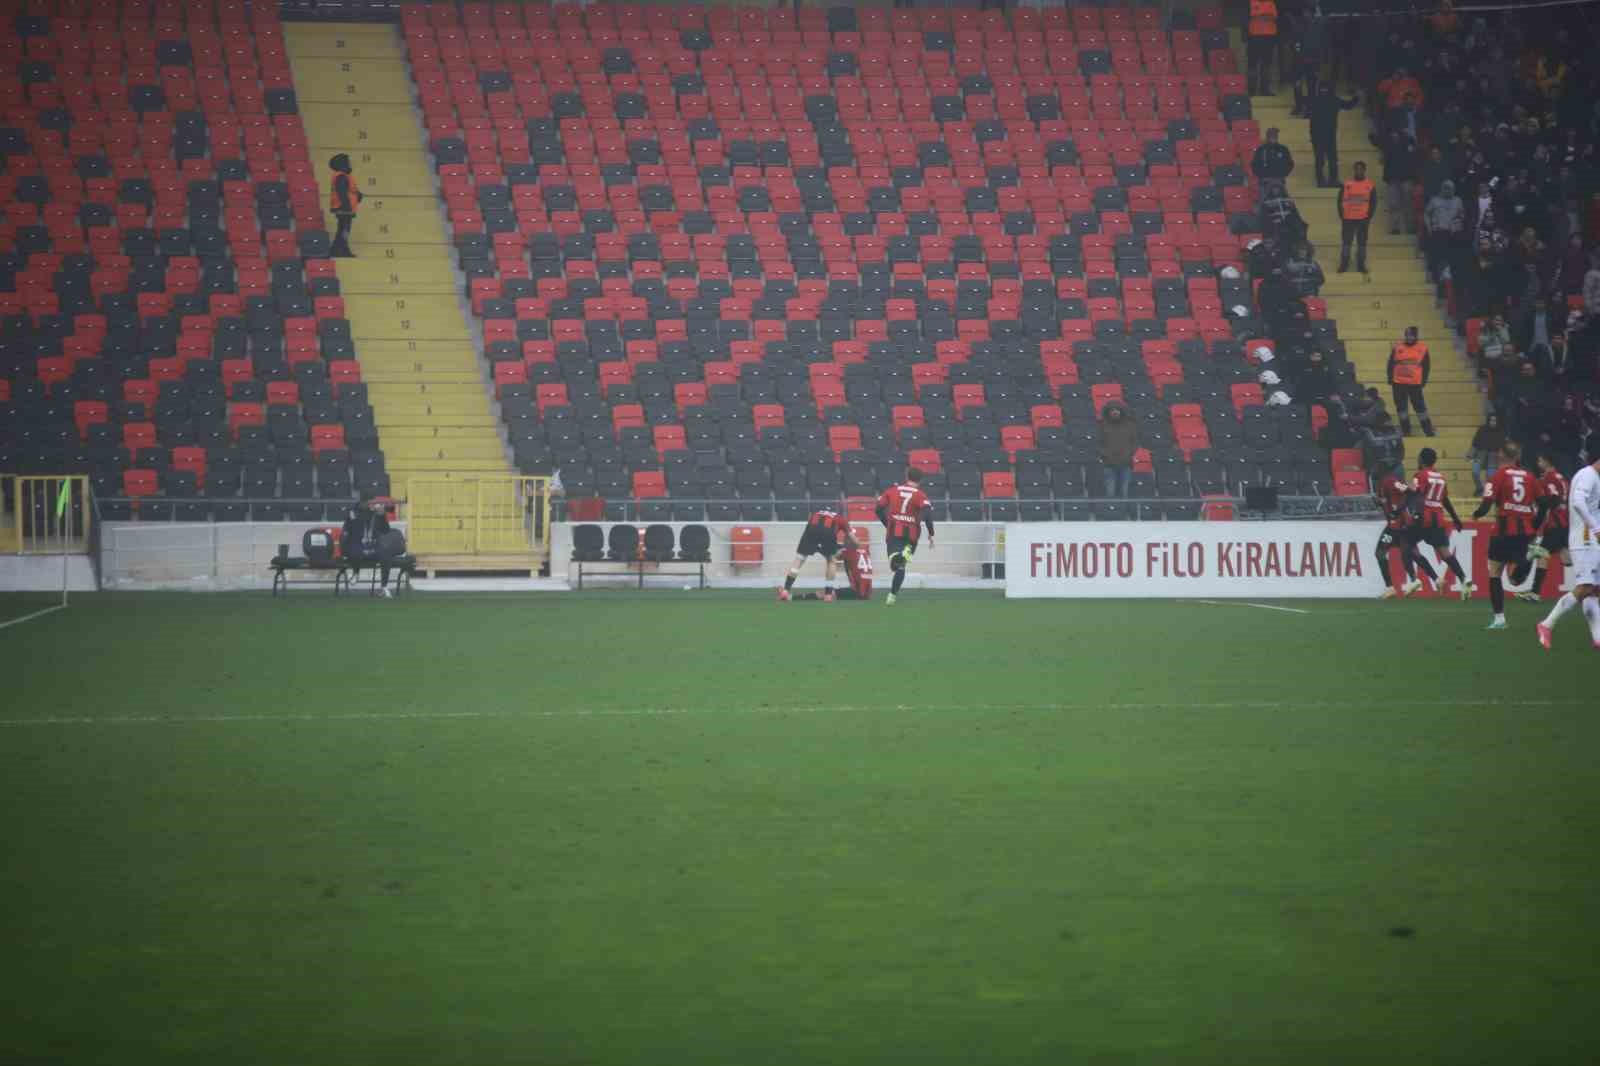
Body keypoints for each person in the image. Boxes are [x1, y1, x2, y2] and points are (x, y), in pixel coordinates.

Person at [1472, 442, 1542, 630]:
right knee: (1514, 580)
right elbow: (1543, 503)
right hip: (1525, 533)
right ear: (1517, 456)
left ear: (1501, 454)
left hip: (1502, 532)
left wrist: (1477, 514)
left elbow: (1487, 504)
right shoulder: (1530, 476)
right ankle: (1529, 556)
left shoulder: (1497, 477)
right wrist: (1534, 525)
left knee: (1495, 573)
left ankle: (1499, 619)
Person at [1536, 454, 1600, 649]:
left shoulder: (1594, 477)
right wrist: (1596, 528)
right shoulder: (1588, 475)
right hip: (1585, 539)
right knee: (1585, 587)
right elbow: (1578, 502)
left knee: (1594, 591)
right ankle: (1547, 624)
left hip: (1591, 540)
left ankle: (1598, 637)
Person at [1409, 448, 1474, 598]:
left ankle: (1429, 578)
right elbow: (1445, 500)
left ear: (1422, 460)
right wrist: (1456, 519)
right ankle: (1464, 578)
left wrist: (1416, 514)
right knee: (1445, 553)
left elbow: (1416, 495)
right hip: (1438, 519)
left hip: (1424, 517)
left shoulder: (1420, 475)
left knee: (1408, 545)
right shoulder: (1441, 477)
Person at [875, 467, 935, 606]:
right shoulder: (921, 495)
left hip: (894, 531)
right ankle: (892, 596)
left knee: (895, 564)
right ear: (921, 480)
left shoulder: (892, 491)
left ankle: (897, 557)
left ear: (906, 475)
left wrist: (887, 523)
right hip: (912, 534)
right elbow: (927, 512)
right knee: (901, 566)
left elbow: (878, 508)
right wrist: (930, 533)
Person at [1374, 467, 1436, 599]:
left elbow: (1410, 492)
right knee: (1413, 554)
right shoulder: (1382, 484)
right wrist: (1381, 503)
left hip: (1397, 526)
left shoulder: (1389, 481)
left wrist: (1401, 509)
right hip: (1401, 526)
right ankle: (1428, 580)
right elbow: (1389, 501)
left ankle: (1392, 587)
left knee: (1380, 553)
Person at [778, 507, 858, 603]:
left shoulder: (815, 514)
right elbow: (855, 541)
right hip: (828, 532)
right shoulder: (840, 518)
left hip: (811, 530)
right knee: (831, 561)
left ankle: (786, 591)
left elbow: (809, 527)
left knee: (799, 559)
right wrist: (850, 546)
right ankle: (828, 595)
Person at [1523, 453, 1570, 604]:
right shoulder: (1562, 477)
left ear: (1546, 461)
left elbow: (1554, 498)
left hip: (1555, 523)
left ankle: (1535, 593)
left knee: (1542, 554)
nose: (1538, 462)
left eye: (1540, 460)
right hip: (1565, 521)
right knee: (1567, 558)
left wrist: (1544, 507)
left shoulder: (1549, 478)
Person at [340, 497, 395, 597]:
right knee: (354, 551)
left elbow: (386, 531)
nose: (373, 507)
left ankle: (384, 587)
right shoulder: (354, 516)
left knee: (386, 555)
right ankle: (356, 572)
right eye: (369, 505)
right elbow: (348, 533)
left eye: (372, 505)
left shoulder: (377, 516)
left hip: (372, 546)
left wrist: (382, 516)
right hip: (357, 545)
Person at [1309, 83, 1360, 188]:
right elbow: (1348, 105)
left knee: (1328, 159)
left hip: (1325, 135)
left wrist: (1357, 97)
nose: (1323, 91)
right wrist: (1357, 97)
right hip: (1321, 135)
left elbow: (1348, 105)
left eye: (1325, 89)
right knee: (1322, 159)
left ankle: (1329, 180)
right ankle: (1326, 180)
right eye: (1322, 89)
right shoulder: (1329, 99)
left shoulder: (1319, 99)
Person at [1387, 326, 1435, 437]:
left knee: (1420, 408)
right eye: (1407, 335)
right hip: (1398, 384)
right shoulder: (1398, 347)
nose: (1409, 337)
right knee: (1401, 408)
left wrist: (1423, 381)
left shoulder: (1422, 348)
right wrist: (1390, 378)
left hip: (1415, 384)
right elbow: (1390, 364)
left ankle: (1428, 431)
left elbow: (1426, 366)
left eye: (1411, 335)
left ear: (1416, 336)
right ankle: (1406, 432)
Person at [1338, 161, 1376, 275]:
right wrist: (1342, 215)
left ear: (1364, 170)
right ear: (1354, 170)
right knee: (1346, 242)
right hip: (1348, 218)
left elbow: (1373, 202)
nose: (1359, 171)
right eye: (1357, 169)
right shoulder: (1346, 184)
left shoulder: (1370, 185)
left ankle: (1361, 264)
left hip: (1363, 219)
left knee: (1362, 243)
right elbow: (1339, 201)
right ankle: (1344, 264)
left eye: (1361, 169)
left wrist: (1368, 216)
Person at [1381, 128, 1418, 236]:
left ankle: (1410, 226)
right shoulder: (1388, 146)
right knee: (1393, 204)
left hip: (1405, 178)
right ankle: (1395, 227)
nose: (1394, 135)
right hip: (1392, 179)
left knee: (1408, 203)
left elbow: (1413, 154)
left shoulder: (1407, 144)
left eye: (1396, 133)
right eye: (1393, 133)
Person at [1099, 401, 1139, 499]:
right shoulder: (1102, 426)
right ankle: (1112, 513)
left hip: (1126, 463)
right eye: (1112, 410)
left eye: (1117, 410)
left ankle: (1125, 512)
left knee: (1125, 492)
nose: (1115, 412)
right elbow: (1098, 443)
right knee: (1110, 492)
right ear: (1108, 412)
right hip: (1108, 464)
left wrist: (1128, 455)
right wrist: (1105, 455)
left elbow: (1135, 443)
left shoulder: (1130, 425)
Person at [328, 153, 364, 258]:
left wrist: (358, 195)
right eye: (347, 162)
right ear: (342, 164)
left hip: (343, 208)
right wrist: (347, 206)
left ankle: (335, 250)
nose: (349, 164)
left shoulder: (342, 176)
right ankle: (343, 250)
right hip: (344, 208)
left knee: (342, 229)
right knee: (345, 230)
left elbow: (348, 191)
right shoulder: (342, 177)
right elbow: (342, 193)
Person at [1247, 0, 1279, 97]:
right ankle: (1251, 90)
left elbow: (1274, 16)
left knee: (1267, 65)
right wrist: (1266, 16)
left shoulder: (1271, 2)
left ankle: (1265, 90)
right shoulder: (1251, 2)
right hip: (1254, 37)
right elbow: (1251, 16)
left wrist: (1259, 16)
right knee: (1252, 65)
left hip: (1269, 38)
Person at [1469, 412, 1506, 494]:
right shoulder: (1482, 429)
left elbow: (1503, 447)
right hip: (1480, 455)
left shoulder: (1501, 431)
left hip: (1493, 457)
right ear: (1488, 420)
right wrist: (1470, 455)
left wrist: (1502, 458)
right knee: (1475, 472)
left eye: (1495, 420)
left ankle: (1487, 493)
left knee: (1490, 477)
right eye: (1491, 420)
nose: (1493, 422)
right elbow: (1475, 443)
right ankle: (1479, 489)